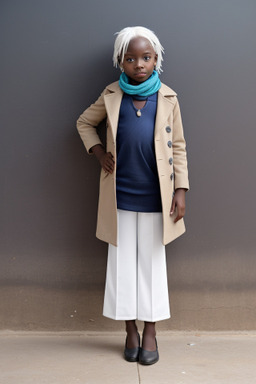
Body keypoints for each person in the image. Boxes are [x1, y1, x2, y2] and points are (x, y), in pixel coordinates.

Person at [77, 26, 189, 365]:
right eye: (130, 59)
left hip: (157, 199)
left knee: (152, 266)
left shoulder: (168, 97)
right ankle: (130, 330)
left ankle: (151, 332)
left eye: (146, 57)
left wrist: (181, 190)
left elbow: (179, 147)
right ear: (120, 62)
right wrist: (98, 152)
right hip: (120, 197)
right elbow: (84, 122)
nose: (139, 64)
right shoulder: (112, 94)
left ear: (156, 60)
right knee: (123, 267)